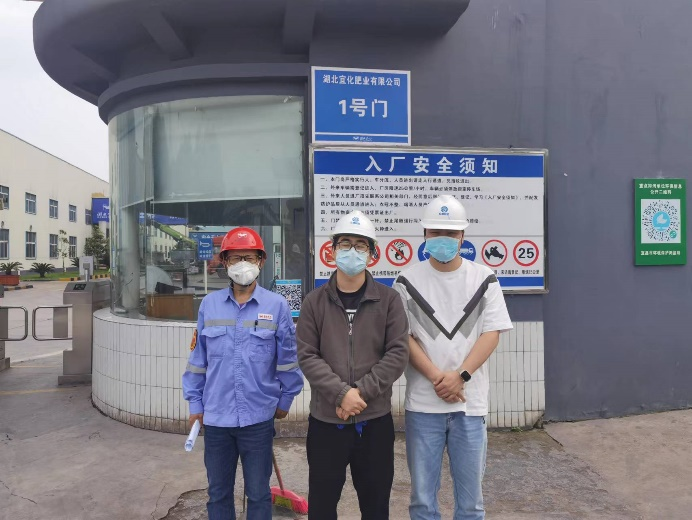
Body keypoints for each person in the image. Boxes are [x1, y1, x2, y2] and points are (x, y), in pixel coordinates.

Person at [394, 195, 513, 520]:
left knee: (471, 505)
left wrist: (460, 376)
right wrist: (438, 378)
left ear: (462, 236)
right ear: (425, 234)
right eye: (436, 232)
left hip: (469, 407)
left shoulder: (484, 279)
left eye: (450, 232)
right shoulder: (406, 281)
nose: (443, 239)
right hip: (423, 406)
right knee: (422, 502)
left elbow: (491, 333)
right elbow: (403, 337)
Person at [183, 227, 304, 520]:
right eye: (235, 258)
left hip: (258, 418)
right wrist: (195, 403)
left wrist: (285, 400)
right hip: (217, 418)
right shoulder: (209, 305)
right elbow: (198, 361)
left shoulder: (277, 306)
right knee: (218, 493)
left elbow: (288, 360)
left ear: (261, 261)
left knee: (259, 493)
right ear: (225, 262)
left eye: (248, 258)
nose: (242, 264)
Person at [297, 211, 409, 520]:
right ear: (332, 250)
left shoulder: (389, 300)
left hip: (374, 423)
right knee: (322, 508)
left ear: (372, 254)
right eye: (345, 243)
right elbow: (307, 355)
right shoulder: (314, 302)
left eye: (361, 245)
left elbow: (397, 353)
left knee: (375, 508)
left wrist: (359, 393)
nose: (352, 251)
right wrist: (340, 394)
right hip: (326, 422)